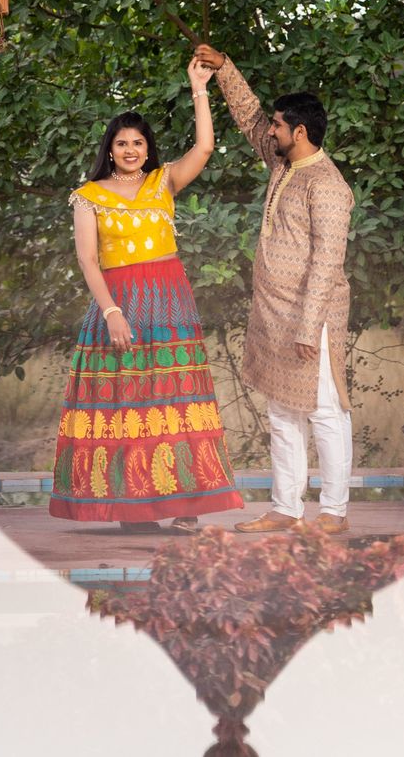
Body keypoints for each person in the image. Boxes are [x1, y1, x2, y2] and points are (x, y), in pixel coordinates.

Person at [49, 56, 243, 530]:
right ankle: (132, 507)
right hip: (119, 303)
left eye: (138, 142)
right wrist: (112, 312)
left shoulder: (164, 181)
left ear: (147, 148)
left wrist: (199, 88)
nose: (131, 150)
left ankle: (185, 507)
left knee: (174, 399)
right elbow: (88, 261)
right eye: (122, 143)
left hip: (169, 301)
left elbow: (205, 146)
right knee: (128, 403)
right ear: (109, 149)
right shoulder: (89, 195)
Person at [195, 44, 354, 535]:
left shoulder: (326, 185)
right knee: (283, 411)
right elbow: (248, 118)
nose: (270, 132)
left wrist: (309, 327)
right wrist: (225, 69)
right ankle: (286, 508)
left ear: (299, 132)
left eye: (278, 127)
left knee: (325, 410)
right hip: (274, 314)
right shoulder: (284, 166)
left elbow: (328, 262)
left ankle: (334, 512)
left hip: (313, 318)